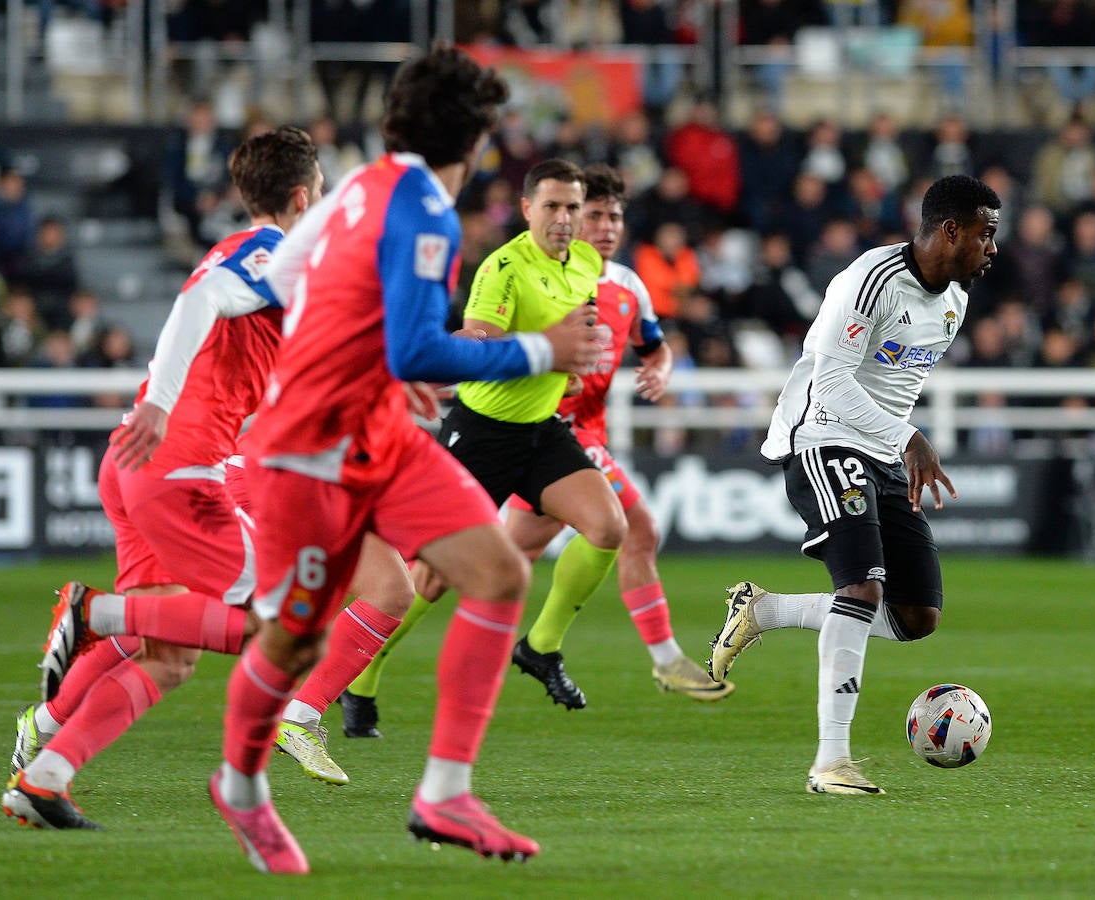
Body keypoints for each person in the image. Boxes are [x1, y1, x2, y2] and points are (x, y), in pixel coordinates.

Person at [211, 46, 600, 873]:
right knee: (291, 641)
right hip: (312, 446)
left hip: (379, 428)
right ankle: (240, 790)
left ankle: (445, 793)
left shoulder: (358, 181)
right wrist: (544, 348)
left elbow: (283, 268)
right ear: (480, 138)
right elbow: (421, 346)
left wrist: (360, 351)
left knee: (497, 574)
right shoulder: (425, 209)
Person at [2, 126, 326, 831]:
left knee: (171, 656)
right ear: (304, 195)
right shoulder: (267, 254)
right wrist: (160, 403)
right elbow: (201, 298)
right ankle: (95, 614)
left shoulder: (248, 256)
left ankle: (44, 773)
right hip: (176, 468)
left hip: (135, 463)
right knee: (290, 618)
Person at [706, 174, 1002, 797]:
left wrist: (895, 448)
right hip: (821, 435)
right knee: (862, 587)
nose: (991, 249)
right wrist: (908, 439)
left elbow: (898, 384)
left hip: (883, 452)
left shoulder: (955, 301)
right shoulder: (870, 282)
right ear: (951, 231)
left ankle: (764, 610)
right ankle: (831, 761)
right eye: (985, 234)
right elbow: (833, 384)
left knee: (916, 615)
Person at [498, 164, 732, 699]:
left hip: (584, 437)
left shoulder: (627, 285)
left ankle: (370, 660)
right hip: (543, 431)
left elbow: (655, 345)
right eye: (594, 214)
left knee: (500, 561)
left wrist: (661, 367)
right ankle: (563, 647)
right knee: (633, 528)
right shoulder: (540, 275)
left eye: (615, 216)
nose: (606, 226)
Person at [430, 157, 624, 712]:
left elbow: (581, 325)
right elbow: (478, 347)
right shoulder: (503, 269)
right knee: (428, 574)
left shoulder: (587, 259)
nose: (564, 218)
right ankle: (359, 677)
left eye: (572, 208)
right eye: (552, 206)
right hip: (482, 431)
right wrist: (545, 347)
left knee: (608, 526)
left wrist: (575, 360)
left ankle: (541, 647)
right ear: (526, 209)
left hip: (540, 428)